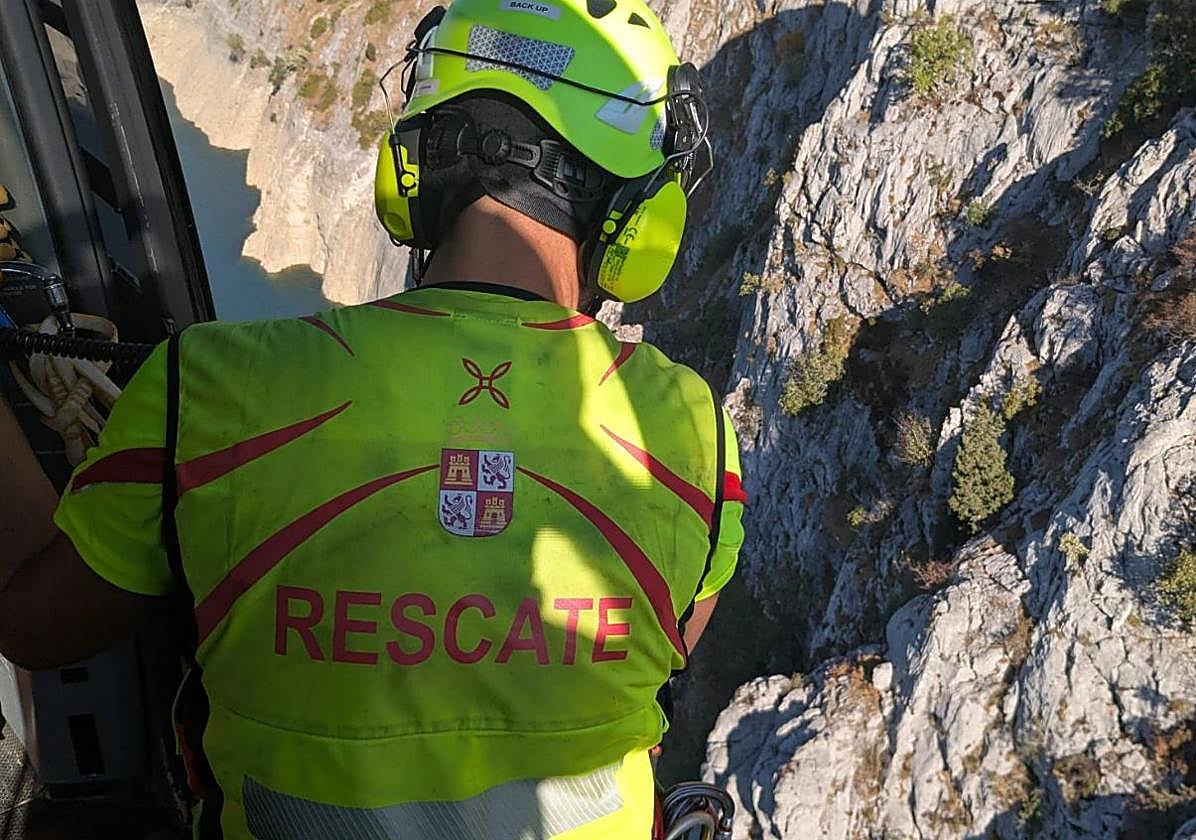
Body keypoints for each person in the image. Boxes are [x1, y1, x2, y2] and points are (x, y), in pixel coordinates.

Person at [0, 0, 747, 836]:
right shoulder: (693, 437)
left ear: (416, 164)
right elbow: (660, 653)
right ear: (634, 216)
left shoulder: (208, 390)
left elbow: (34, 624)